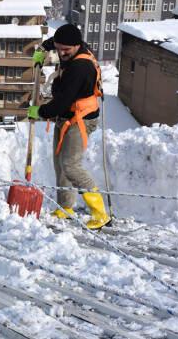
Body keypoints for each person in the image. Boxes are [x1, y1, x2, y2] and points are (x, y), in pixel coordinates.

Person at [27, 24, 111, 229]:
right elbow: (54, 44)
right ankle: (65, 208)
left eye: (67, 49)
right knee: (60, 163)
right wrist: (42, 50)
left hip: (81, 119)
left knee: (71, 165)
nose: (62, 53)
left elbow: (61, 102)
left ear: (77, 45)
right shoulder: (70, 49)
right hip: (66, 117)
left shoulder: (79, 68)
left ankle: (100, 214)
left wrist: (40, 112)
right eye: (59, 48)